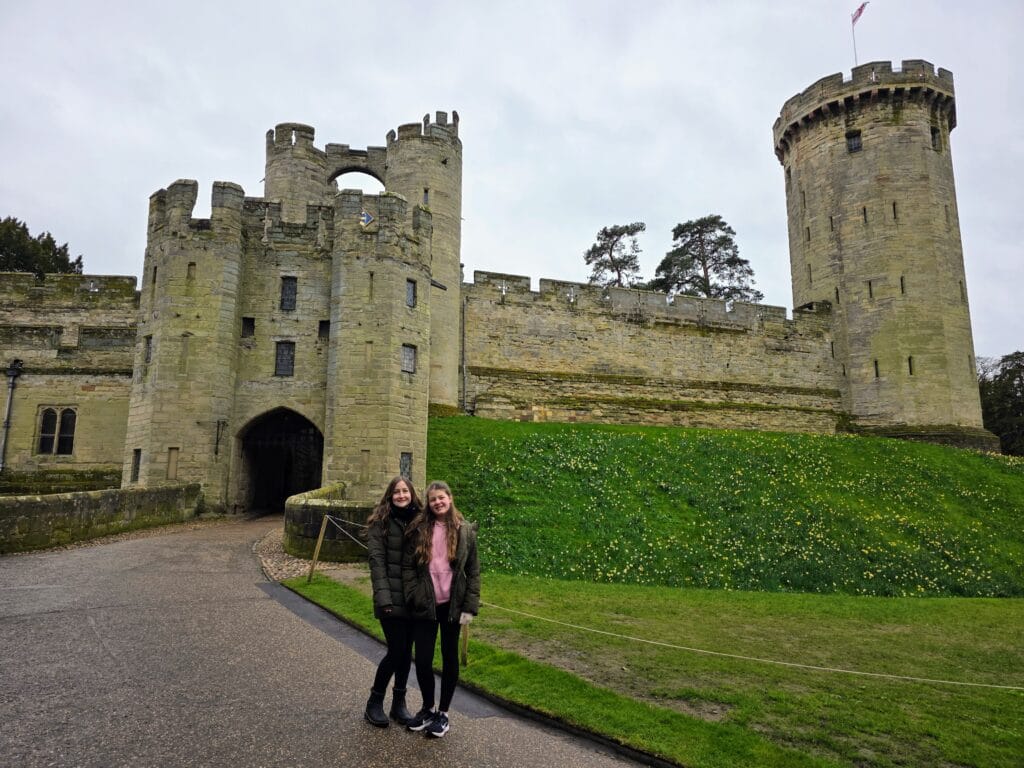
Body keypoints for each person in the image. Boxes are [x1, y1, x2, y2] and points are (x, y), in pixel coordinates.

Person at [402, 480, 480, 738]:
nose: (437, 502)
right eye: (433, 499)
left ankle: (443, 714)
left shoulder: (465, 530)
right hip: (425, 603)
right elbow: (409, 567)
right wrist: (413, 594)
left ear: (450, 497)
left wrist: (469, 607)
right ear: (429, 502)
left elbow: (473, 571)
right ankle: (428, 708)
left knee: (449, 658)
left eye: (441, 497)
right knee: (423, 659)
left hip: (452, 605)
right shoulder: (419, 528)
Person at [364, 476, 422, 727]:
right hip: (389, 599)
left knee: (406, 653)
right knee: (396, 651)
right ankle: (374, 702)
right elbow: (377, 563)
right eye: (397, 492)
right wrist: (384, 599)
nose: (401, 495)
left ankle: (399, 704)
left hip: (412, 599)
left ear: (412, 494)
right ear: (390, 495)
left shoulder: (420, 520)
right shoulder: (380, 522)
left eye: (405, 491)